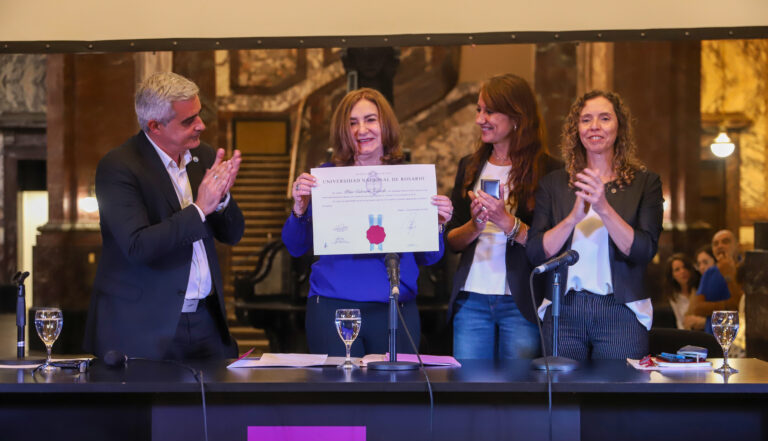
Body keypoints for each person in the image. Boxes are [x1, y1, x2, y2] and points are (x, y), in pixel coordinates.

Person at [84, 72, 245, 360]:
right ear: (154, 126)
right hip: (146, 326)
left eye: (199, 114)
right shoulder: (118, 167)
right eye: (188, 121)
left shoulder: (204, 157)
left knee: (219, 405)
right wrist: (198, 209)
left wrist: (221, 200)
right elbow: (137, 246)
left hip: (207, 321)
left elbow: (233, 234)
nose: (201, 125)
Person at [282, 87, 453, 356]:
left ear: (385, 124)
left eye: (370, 119)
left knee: (396, 396)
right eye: (352, 123)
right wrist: (300, 209)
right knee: (342, 393)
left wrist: (439, 224)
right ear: (342, 131)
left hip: (397, 312)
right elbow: (295, 247)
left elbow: (429, 257)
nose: (362, 130)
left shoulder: (410, 180)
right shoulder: (325, 179)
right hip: (334, 310)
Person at [527, 90, 663, 360]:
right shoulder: (554, 184)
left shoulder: (645, 183)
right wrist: (572, 219)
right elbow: (535, 253)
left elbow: (643, 251)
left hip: (621, 310)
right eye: (586, 120)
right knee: (562, 396)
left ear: (619, 126)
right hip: (563, 309)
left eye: (604, 118)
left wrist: (602, 207)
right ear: (576, 129)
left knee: (617, 399)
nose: (595, 127)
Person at [445, 74, 558, 360]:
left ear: (517, 117)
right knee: (468, 392)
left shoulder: (550, 171)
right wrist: (476, 225)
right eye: (479, 110)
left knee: (518, 394)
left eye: (490, 111)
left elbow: (553, 246)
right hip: (471, 300)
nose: (480, 119)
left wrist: (507, 221)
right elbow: (452, 242)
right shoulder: (469, 167)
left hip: (521, 302)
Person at [684, 229, 743, 330]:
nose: (720, 246)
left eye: (725, 242)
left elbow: (741, 305)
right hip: (711, 336)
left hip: (738, 337)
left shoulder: (746, 268)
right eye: (715, 244)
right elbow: (698, 308)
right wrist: (727, 306)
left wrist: (728, 275)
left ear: (737, 246)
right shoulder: (709, 273)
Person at [663, 253, 700, 329]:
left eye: (685, 267)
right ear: (672, 275)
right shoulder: (674, 297)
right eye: (677, 270)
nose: (683, 271)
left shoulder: (699, 289)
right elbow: (680, 322)